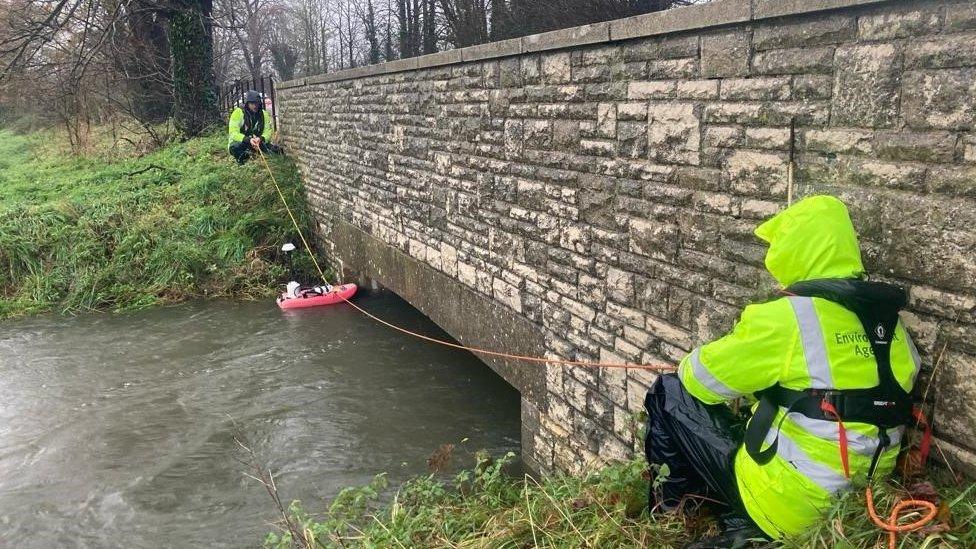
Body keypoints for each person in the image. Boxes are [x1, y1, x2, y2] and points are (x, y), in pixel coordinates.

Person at [644, 195, 922, 547]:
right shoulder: (892, 325)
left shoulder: (788, 318)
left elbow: (699, 381)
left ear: (795, 251)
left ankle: (676, 511)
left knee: (667, 392)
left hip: (789, 503)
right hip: (862, 497)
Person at [228, 90, 282, 164]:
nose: (255, 106)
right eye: (252, 103)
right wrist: (248, 140)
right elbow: (233, 133)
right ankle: (243, 161)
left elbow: (268, 132)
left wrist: (260, 138)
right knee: (235, 148)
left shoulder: (264, 114)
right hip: (242, 142)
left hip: (258, 142)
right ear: (247, 103)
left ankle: (255, 155)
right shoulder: (238, 112)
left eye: (257, 103)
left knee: (277, 151)